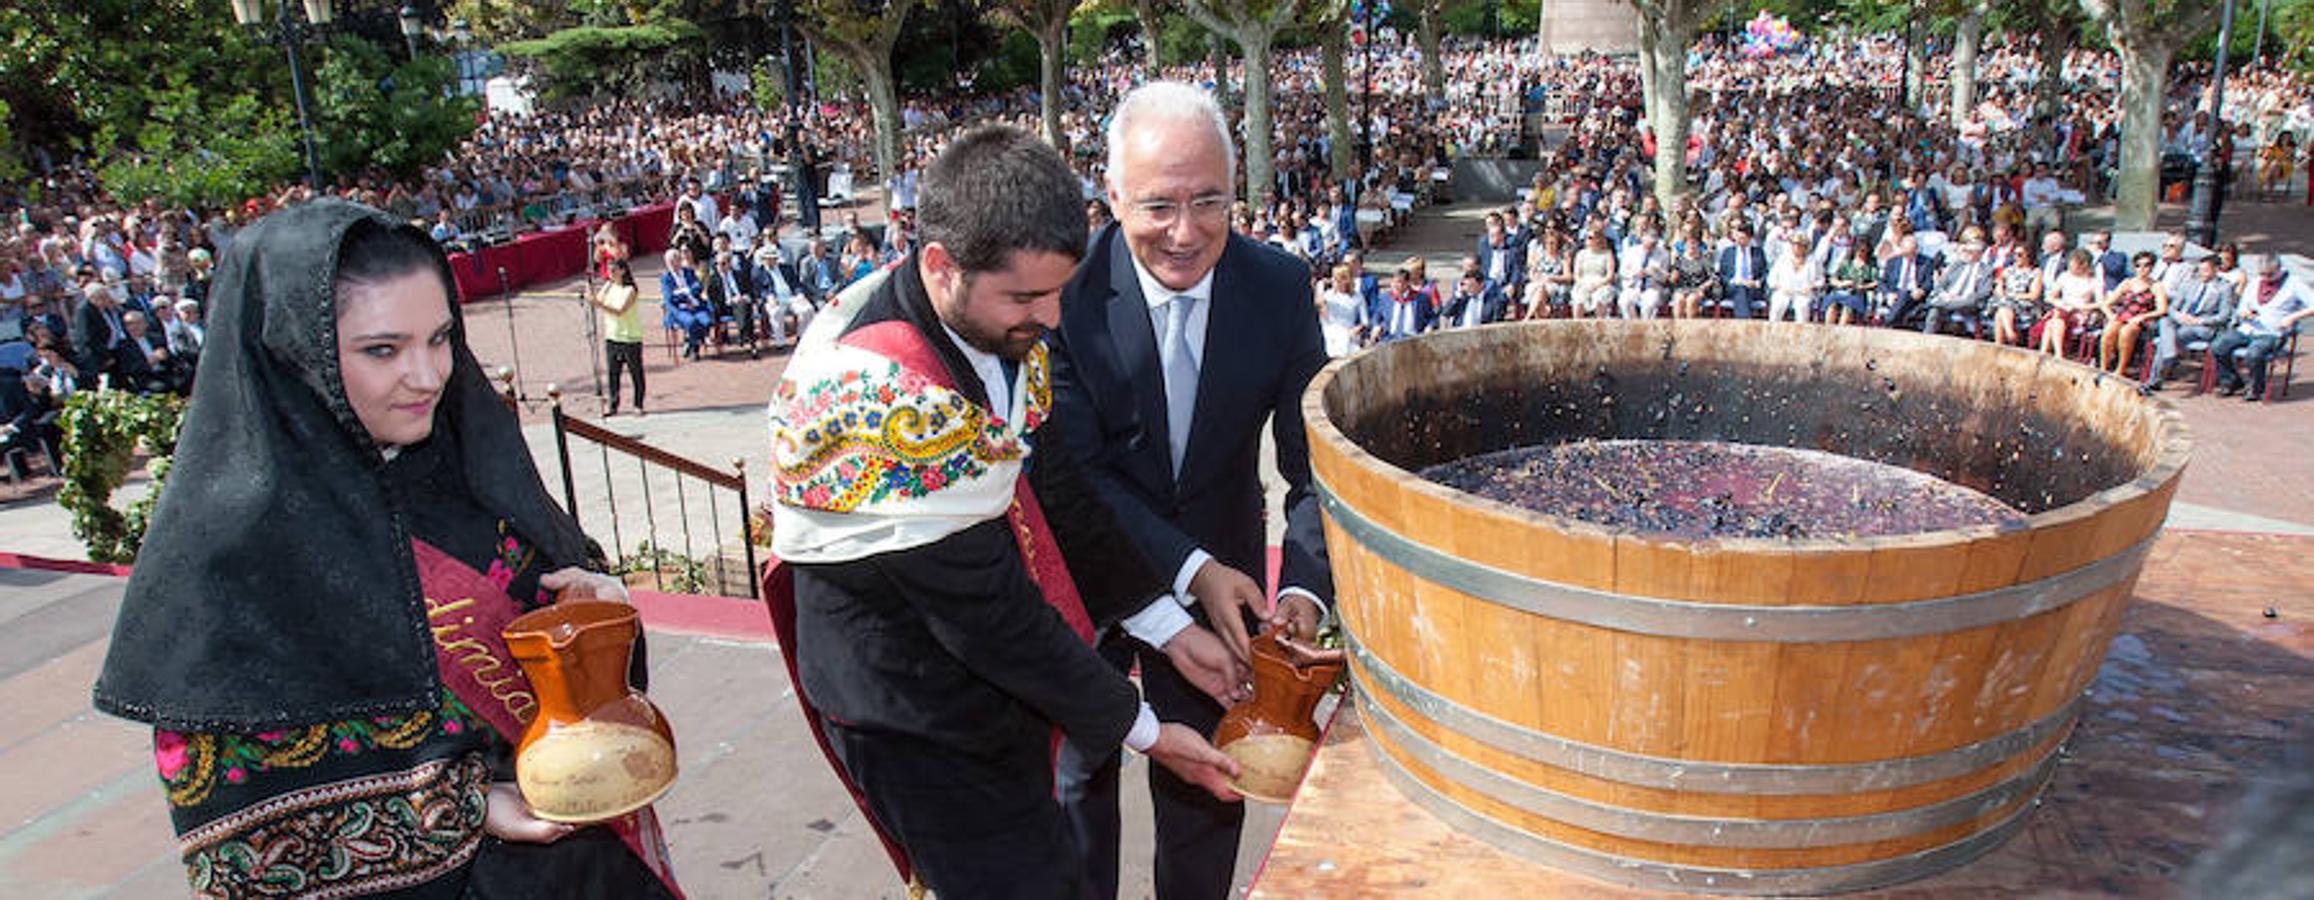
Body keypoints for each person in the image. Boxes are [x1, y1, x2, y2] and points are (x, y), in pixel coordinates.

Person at [92, 201, 682, 898]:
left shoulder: (465, 467)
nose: (428, 375)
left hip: (588, 872)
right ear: (294, 355)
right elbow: (237, 842)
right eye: (383, 350)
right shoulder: (237, 556)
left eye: (440, 339)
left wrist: (599, 622)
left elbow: (584, 682)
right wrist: (464, 812)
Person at [767, 125, 1245, 900]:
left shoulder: (987, 318)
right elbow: (991, 613)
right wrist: (1150, 733)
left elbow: (1057, 489)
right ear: (939, 266)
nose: (1052, 319)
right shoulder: (882, 397)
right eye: (1026, 296)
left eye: (1059, 289)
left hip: (989, 676)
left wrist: (1170, 626)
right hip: (908, 707)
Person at [1048, 82, 1332, 900]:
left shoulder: (1279, 286)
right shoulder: (1061, 294)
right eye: (1158, 205)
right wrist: (1191, 569)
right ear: (1111, 197)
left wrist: (1305, 591)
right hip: (1093, 567)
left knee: (1210, 791)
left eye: (1209, 202)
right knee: (1076, 785)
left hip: (1230, 592)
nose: (1185, 232)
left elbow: (1310, 465)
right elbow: (1077, 472)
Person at [2210, 258, 2311, 401]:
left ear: (2279, 270)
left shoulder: (2294, 284)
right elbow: (2242, 306)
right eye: (2262, 274)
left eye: (2269, 275)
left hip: (2272, 333)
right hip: (2248, 328)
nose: (2265, 278)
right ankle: (2231, 381)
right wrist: (2244, 312)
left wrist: (2293, 317)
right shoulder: (2255, 282)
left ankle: (2256, 388)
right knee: (2218, 346)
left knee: (2254, 353)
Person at [2144, 256, 2233, 390]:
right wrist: (2179, 316)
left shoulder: (2224, 287)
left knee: (2166, 339)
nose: (2202, 273)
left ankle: (2154, 379)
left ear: (2216, 270)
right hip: (2183, 321)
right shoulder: (2191, 283)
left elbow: (2224, 315)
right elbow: (2172, 307)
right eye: (2200, 270)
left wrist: (2199, 321)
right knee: (2165, 320)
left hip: (2202, 327)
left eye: (2206, 270)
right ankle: (2169, 353)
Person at [2099, 251, 2168, 375]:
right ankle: (2103, 367)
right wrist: (2110, 315)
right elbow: (2106, 303)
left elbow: (2162, 309)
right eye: (2138, 265)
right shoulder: (2128, 283)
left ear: (2152, 267)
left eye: (2146, 265)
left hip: (2141, 319)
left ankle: (2120, 369)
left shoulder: (2156, 286)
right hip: (2124, 316)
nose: (2142, 269)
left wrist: (2143, 316)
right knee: (2109, 330)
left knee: (2126, 332)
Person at [592, 258, 646, 415]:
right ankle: (613, 405)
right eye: (609, 270)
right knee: (613, 373)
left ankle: (638, 404)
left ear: (623, 271)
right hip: (612, 336)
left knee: (635, 372)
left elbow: (619, 310)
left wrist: (599, 304)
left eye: (614, 270)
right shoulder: (609, 285)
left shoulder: (630, 290)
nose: (611, 273)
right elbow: (598, 300)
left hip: (630, 337)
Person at [1921, 240, 1995, 337]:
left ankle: (1940, 304)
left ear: (1979, 254)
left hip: (1968, 301)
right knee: (1934, 312)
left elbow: (1984, 292)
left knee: (1937, 304)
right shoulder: (1956, 265)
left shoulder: (1986, 270)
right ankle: (1927, 338)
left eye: (1970, 252)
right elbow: (1941, 285)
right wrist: (1946, 295)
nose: (1966, 254)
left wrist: (1962, 298)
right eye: (1966, 251)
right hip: (1949, 297)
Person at [658, 248, 711, 359]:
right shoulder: (665, 278)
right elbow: (670, 297)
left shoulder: (689, 272)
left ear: (680, 260)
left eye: (675, 260)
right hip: (679, 309)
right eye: (669, 262)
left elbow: (698, 287)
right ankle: (694, 349)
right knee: (692, 322)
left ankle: (690, 342)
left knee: (706, 322)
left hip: (696, 306)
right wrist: (686, 295)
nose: (672, 264)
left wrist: (685, 292)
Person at [1989, 243, 2044, 346]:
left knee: (2001, 310)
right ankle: (2010, 334)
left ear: (2028, 256)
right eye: (2014, 254)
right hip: (2005, 302)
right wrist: (2000, 287)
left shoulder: (2035, 272)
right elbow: (1999, 289)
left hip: (2025, 305)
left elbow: (2034, 295)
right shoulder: (2008, 270)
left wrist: (2015, 297)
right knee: (2003, 307)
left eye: (2019, 255)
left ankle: (1999, 343)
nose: (2016, 257)